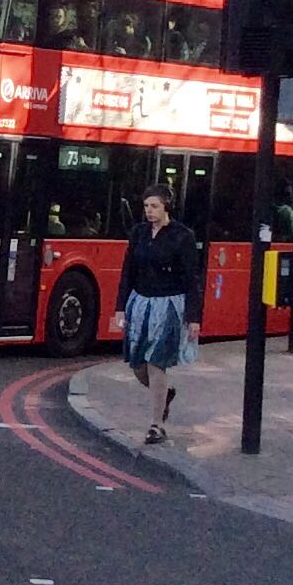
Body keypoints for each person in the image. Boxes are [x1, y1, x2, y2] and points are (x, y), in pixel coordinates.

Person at [110, 184, 201, 445]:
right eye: (147, 206)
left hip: (169, 305)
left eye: (155, 206)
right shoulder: (138, 233)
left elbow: (192, 279)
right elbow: (128, 272)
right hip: (139, 303)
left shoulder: (182, 236)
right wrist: (119, 307)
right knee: (138, 365)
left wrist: (194, 318)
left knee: (156, 362)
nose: (149, 211)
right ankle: (165, 394)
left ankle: (156, 425)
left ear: (166, 207)